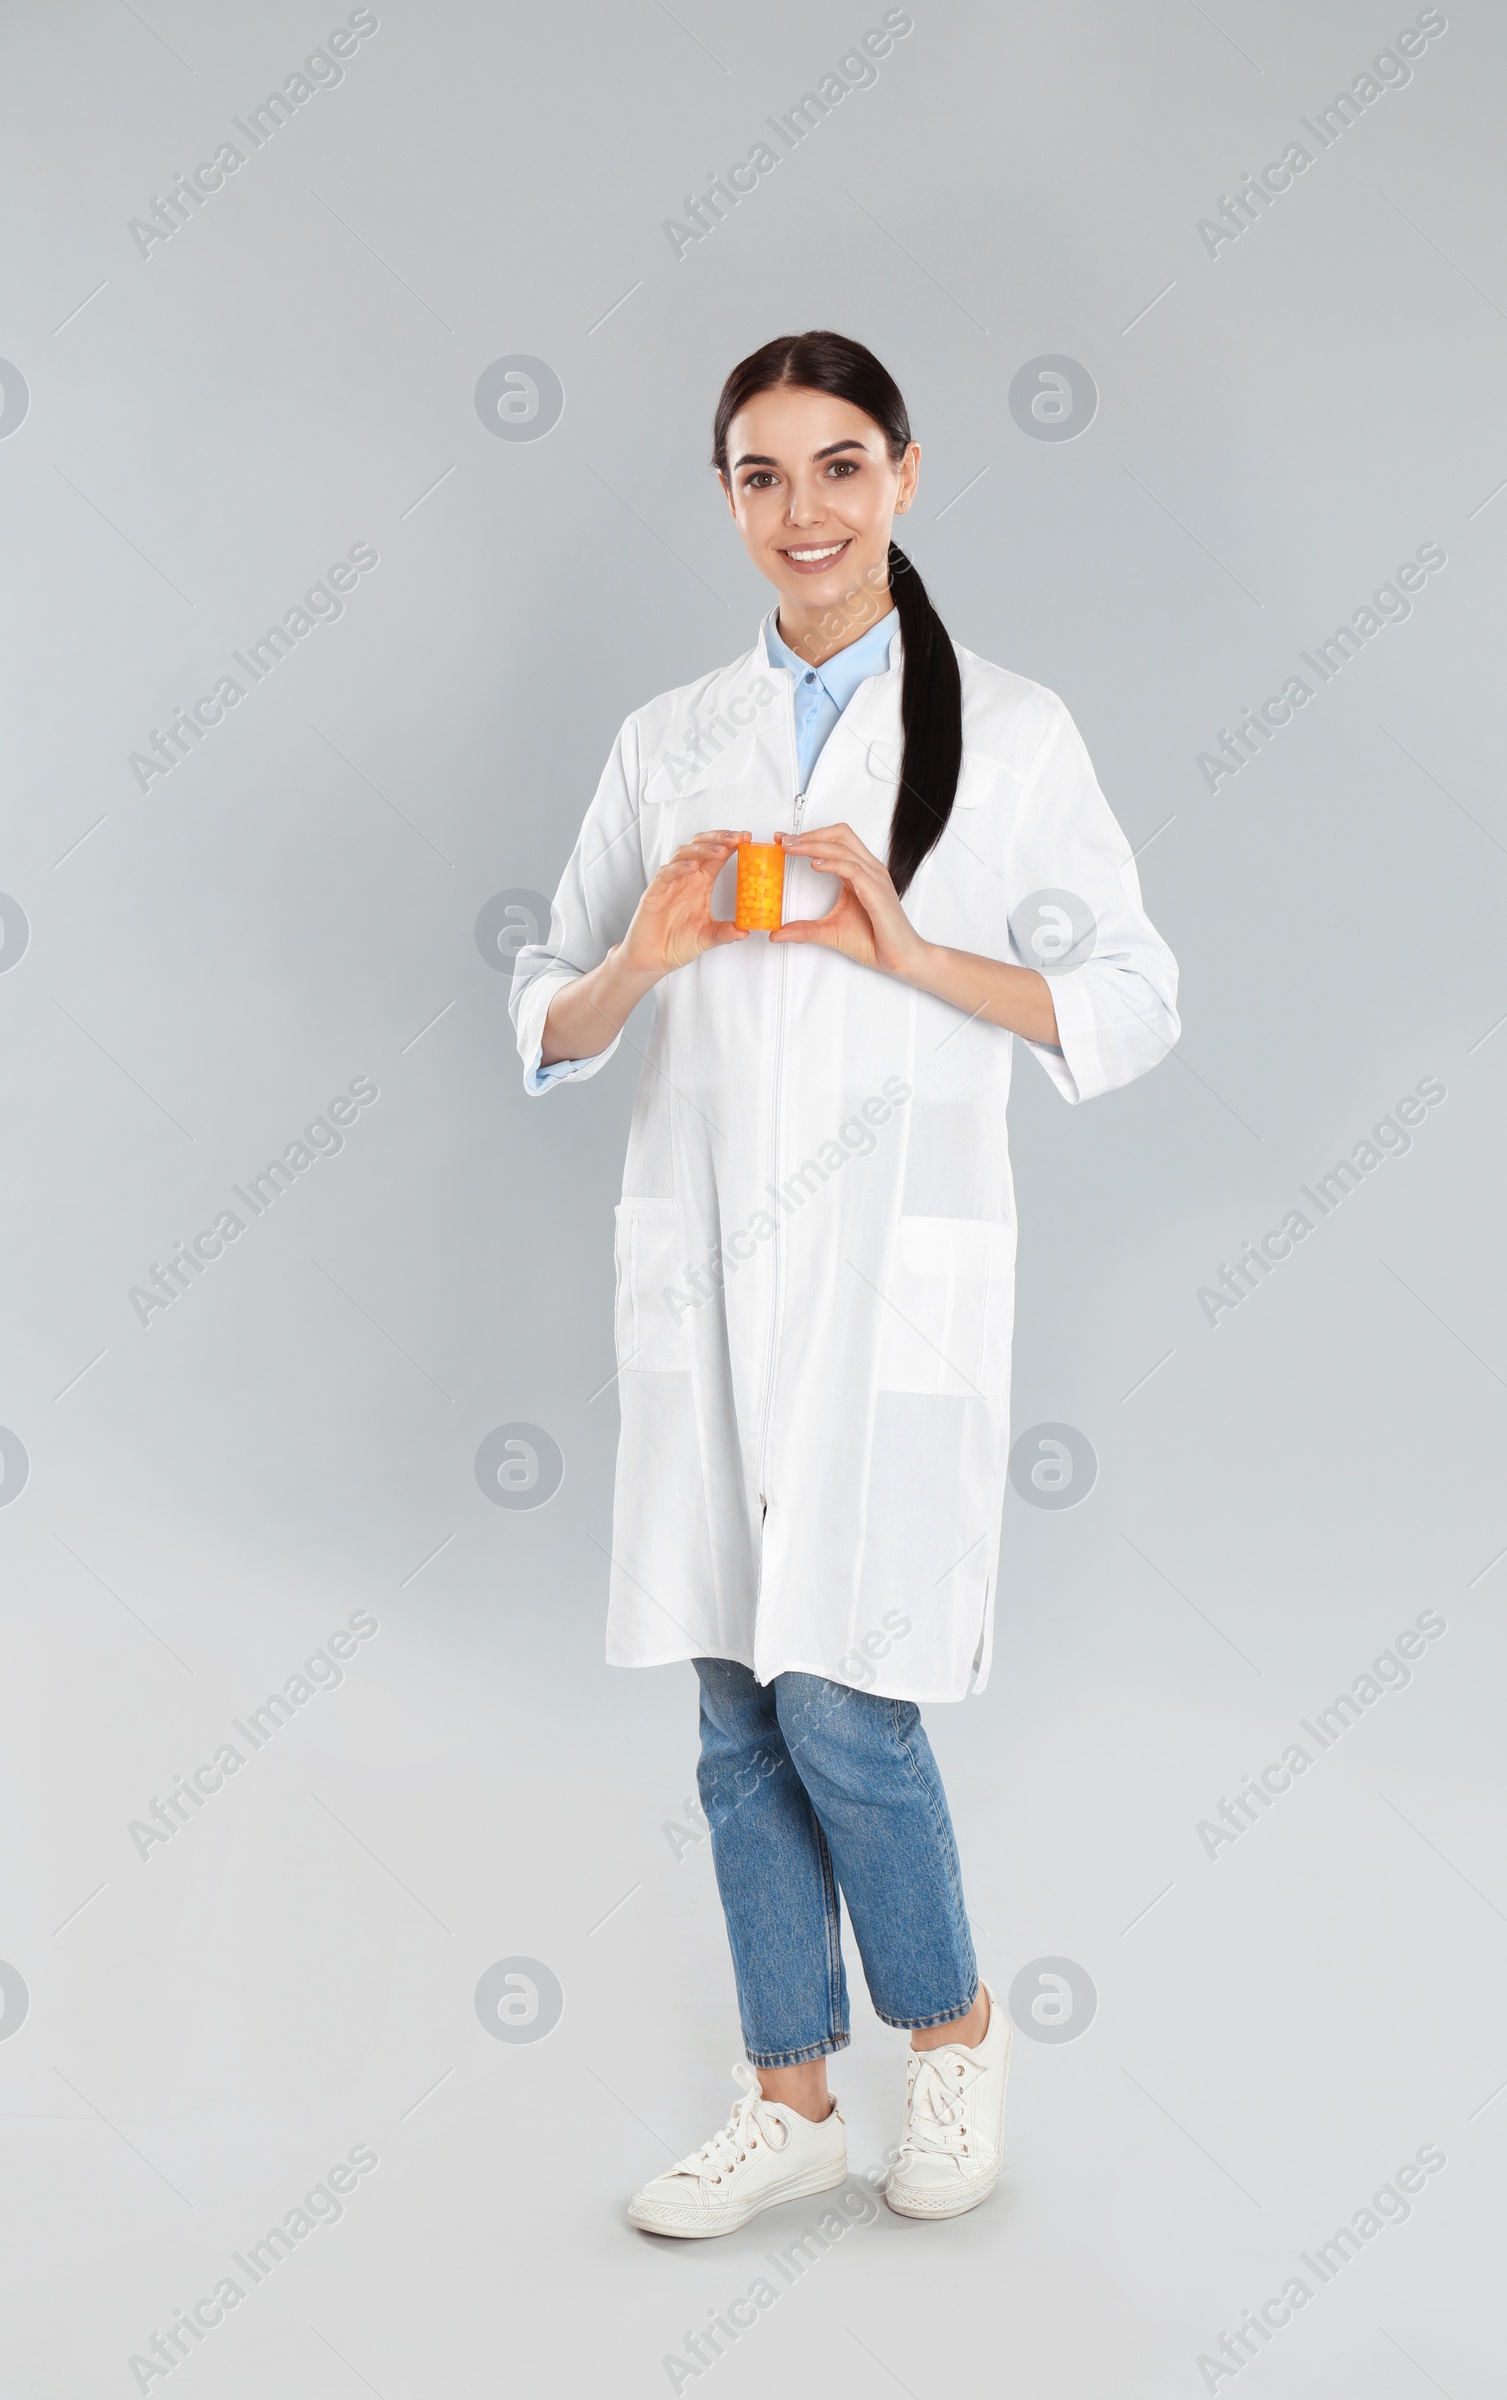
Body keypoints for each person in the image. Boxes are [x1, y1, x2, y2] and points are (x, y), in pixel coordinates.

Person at [508, 330, 1179, 2237]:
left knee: (847, 1708)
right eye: (758, 476)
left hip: (892, 1292)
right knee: (732, 1701)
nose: (799, 512)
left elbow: (1134, 997)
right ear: (725, 498)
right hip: (710, 1280)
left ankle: (951, 2040)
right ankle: (790, 2096)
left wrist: (913, 952)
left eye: (836, 468)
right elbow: (548, 1014)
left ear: (904, 473)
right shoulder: (667, 743)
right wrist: (636, 958)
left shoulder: (1015, 736)